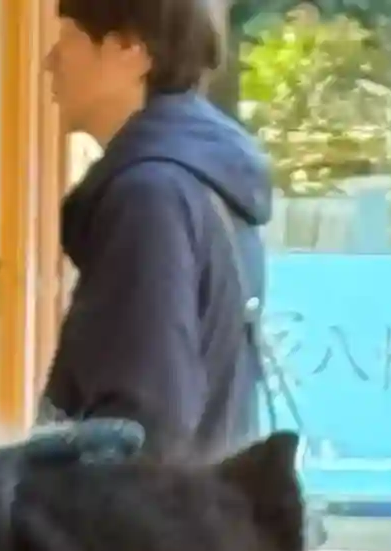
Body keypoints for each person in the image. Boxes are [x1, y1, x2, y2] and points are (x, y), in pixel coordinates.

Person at [39, 0, 278, 457]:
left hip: (151, 501)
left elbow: (140, 421)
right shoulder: (200, 176)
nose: (51, 61)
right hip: (198, 492)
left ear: (131, 50)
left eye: (69, 38)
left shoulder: (150, 196)